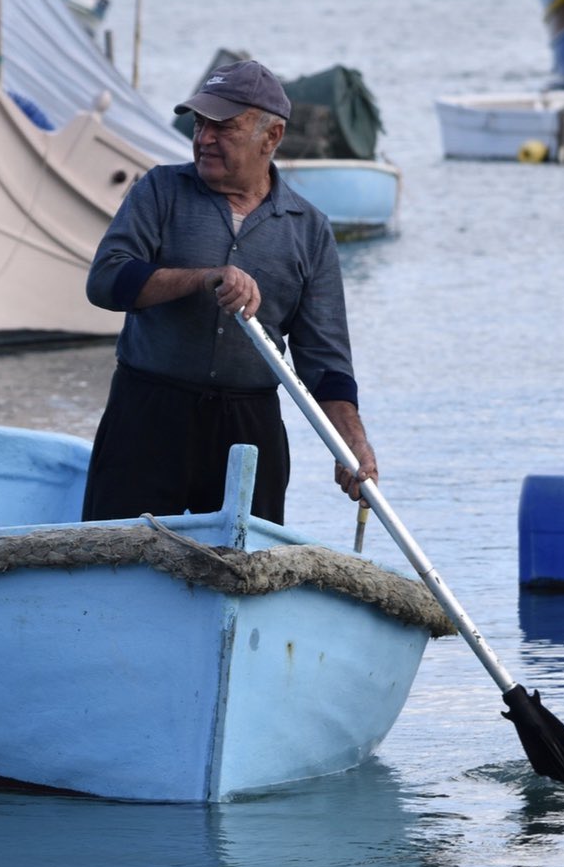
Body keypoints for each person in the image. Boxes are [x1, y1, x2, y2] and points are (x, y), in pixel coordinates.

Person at [81, 58, 377, 525]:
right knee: (116, 564)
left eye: (224, 127)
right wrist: (201, 278)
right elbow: (105, 282)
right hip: (146, 415)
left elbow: (326, 366)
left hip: (248, 426)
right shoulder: (159, 191)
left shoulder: (309, 229)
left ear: (272, 137)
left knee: (243, 577)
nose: (203, 139)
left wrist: (352, 444)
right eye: (199, 124)